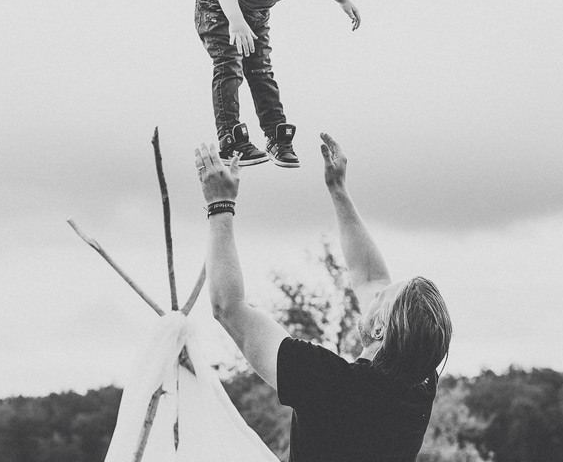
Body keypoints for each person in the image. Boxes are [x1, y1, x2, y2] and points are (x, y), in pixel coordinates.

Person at [194, 133, 453, 462]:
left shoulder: (327, 384)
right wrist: (338, 191)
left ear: (379, 331)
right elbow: (371, 276)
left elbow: (228, 308)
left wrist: (220, 206)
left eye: (381, 297)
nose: (374, 291)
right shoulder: (419, 383)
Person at [195, 0, 361, 168]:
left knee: (261, 73)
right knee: (229, 66)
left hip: (255, 15)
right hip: (218, 7)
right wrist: (236, 22)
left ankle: (276, 137)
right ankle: (230, 141)